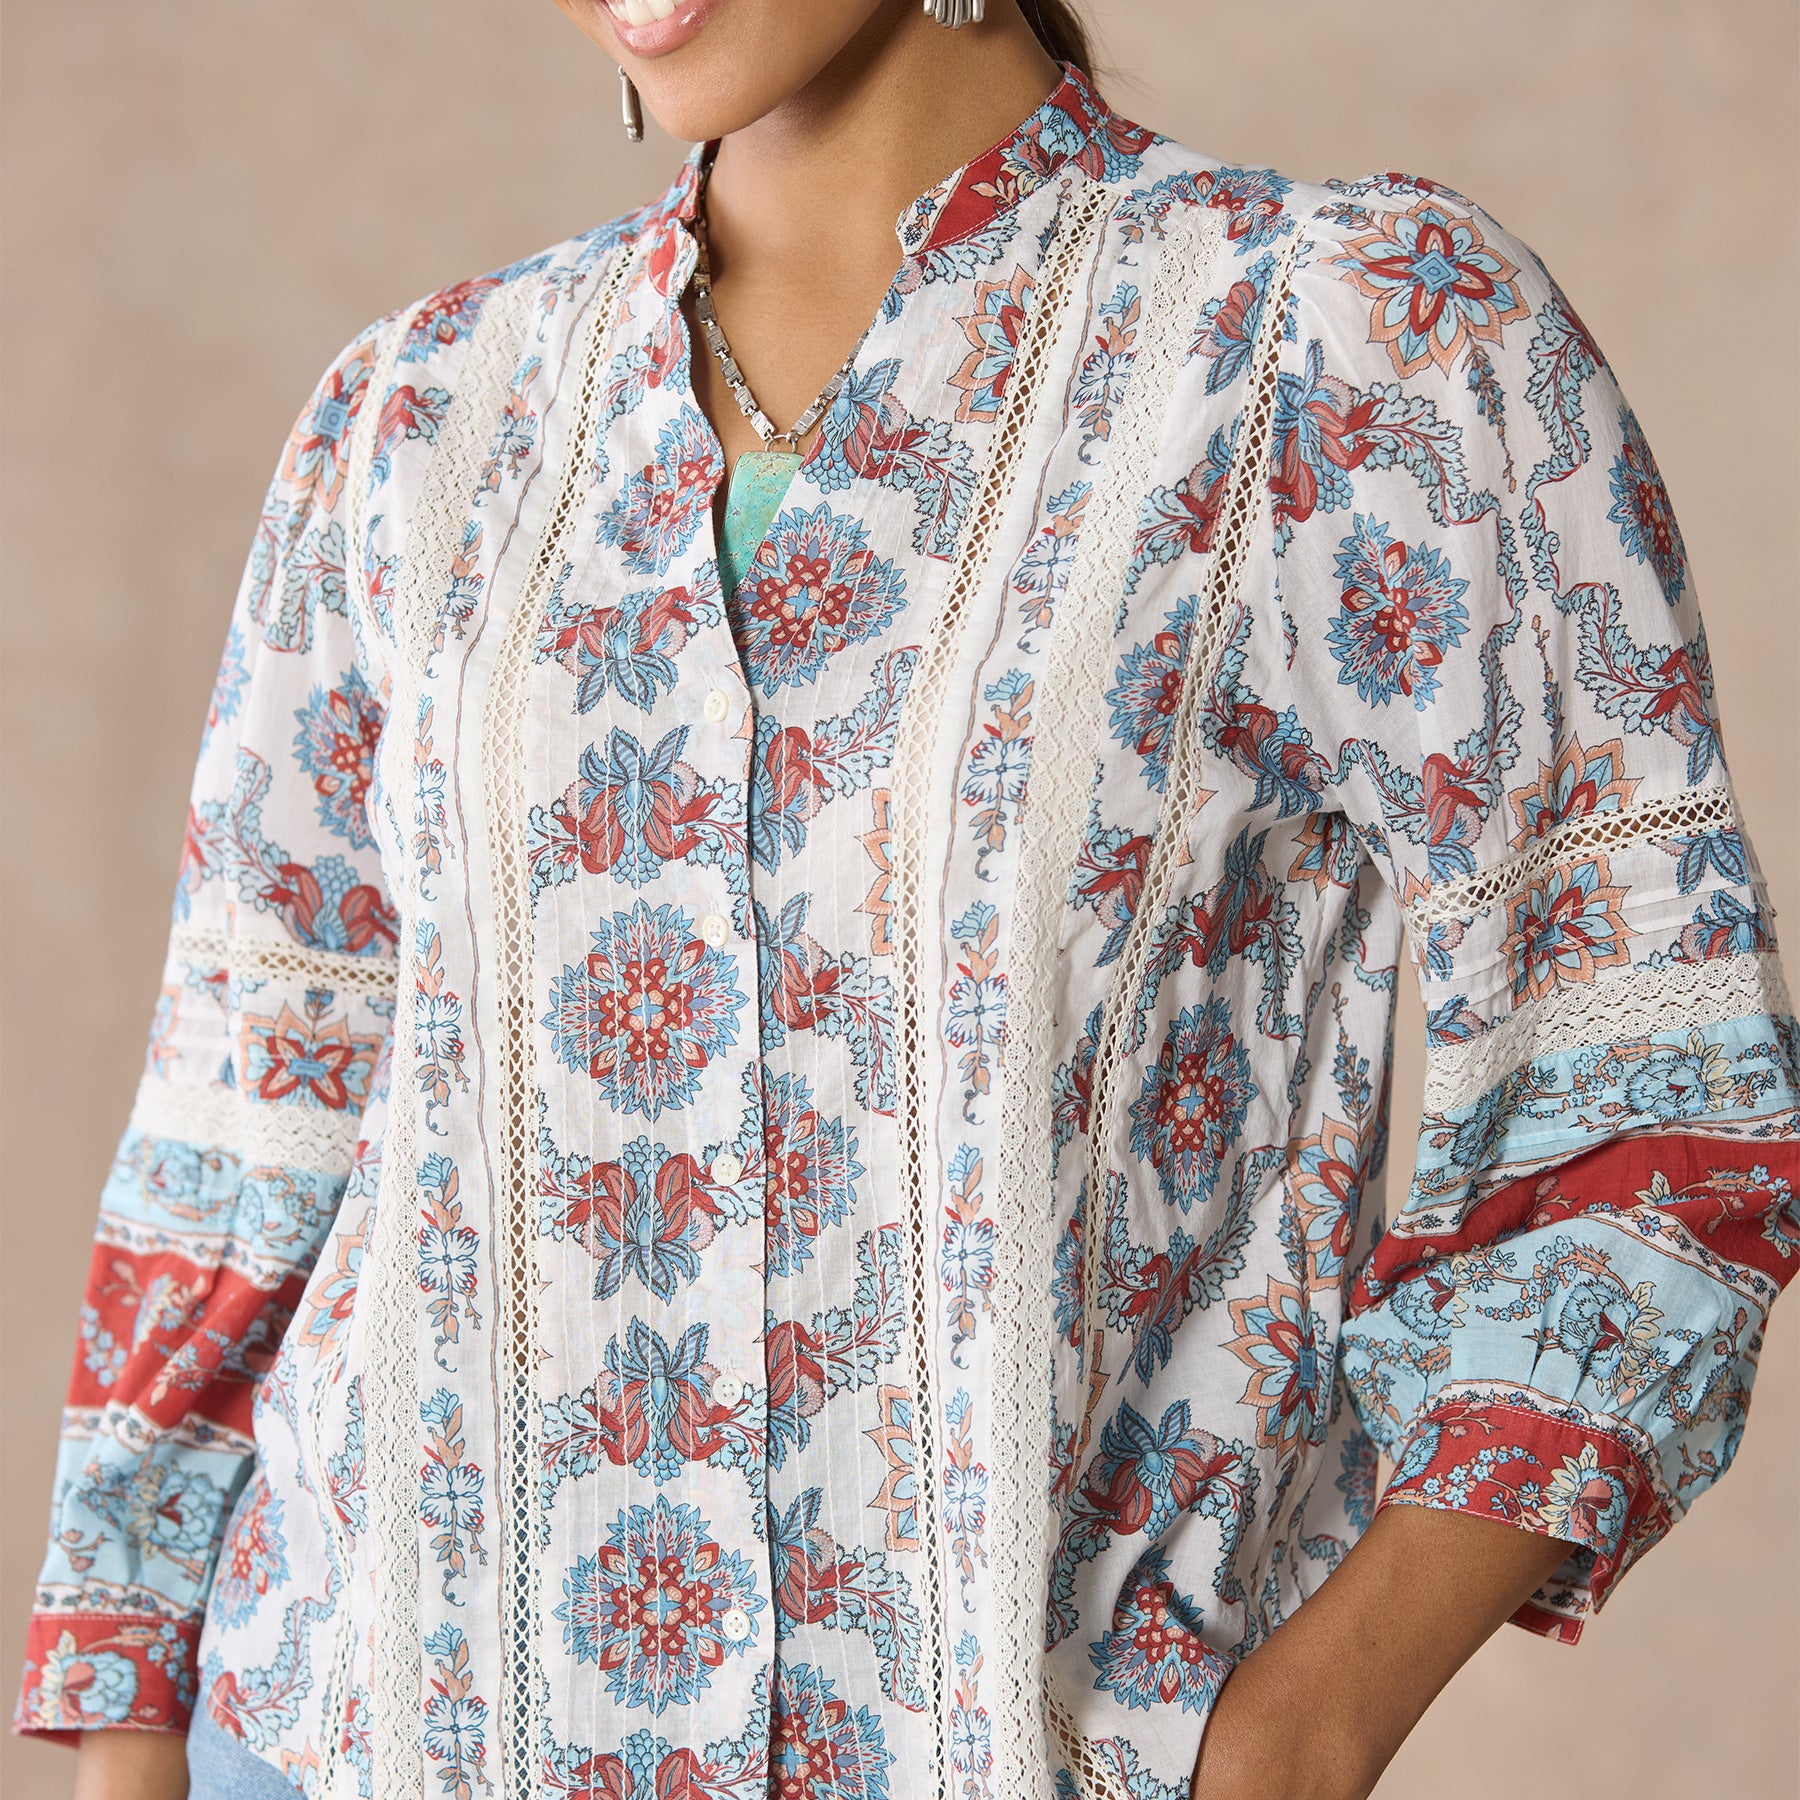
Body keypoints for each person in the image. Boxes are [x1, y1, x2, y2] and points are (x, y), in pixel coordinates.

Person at [17, 3, 1799, 1797]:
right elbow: (247, 1111)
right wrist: (123, 1736)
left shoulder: (1338, 341)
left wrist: (1304, 1734)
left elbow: (1654, 1092)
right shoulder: (419, 414)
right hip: (363, 1726)